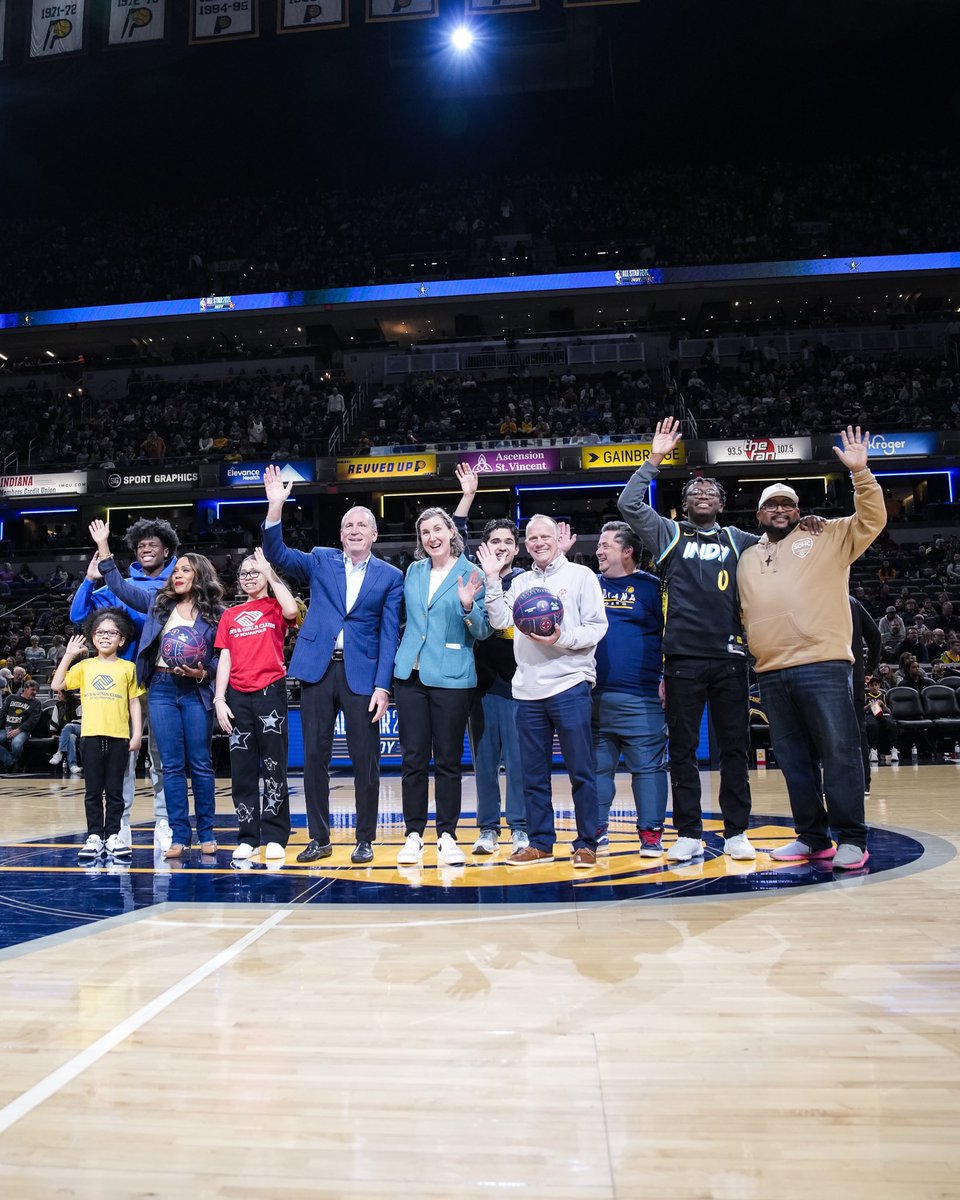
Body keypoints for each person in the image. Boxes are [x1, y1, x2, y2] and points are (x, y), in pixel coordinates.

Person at [737, 427, 887, 871]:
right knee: (794, 760)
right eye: (771, 504)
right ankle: (812, 837)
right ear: (759, 514)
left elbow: (872, 521)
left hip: (822, 663)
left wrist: (861, 474)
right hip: (769, 669)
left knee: (839, 752)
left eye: (787, 504)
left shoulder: (828, 535)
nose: (779, 509)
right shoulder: (746, 554)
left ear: (800, 511)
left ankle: (853, 838)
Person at [617, 416, 761, 863]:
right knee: (682, 750)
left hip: (732, 658)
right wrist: (655, 459)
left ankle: (736, 831)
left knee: (735, 747)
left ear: (722, 503)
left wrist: (809, 525)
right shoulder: (670, 534)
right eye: (695, 492)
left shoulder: (740, 540)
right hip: (680, 658)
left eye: (711, 492)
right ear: (684, 504)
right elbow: (628, 503)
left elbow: (782, 546)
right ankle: (688, 832)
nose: (703, 495)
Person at [261, 465, 403, 865]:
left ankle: (365, 839)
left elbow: (389, 634)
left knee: (366, 762)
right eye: (348, 525)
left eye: (362, 525)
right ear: (341, 534)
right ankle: (319, 838)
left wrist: (383, 686)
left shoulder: (390, 576)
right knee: (314, 759)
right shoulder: (321, 560)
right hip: (317, 670)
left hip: (362, 676)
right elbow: (277, 554)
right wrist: (276, 508)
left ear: (374, 534)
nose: (355, 530)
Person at [89, 520, 224, 859]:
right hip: (161, 687)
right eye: (175, 570)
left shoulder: (216, 614)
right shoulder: (157, 604)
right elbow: (119, 586)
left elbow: (223, 658)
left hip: (195, 689)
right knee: (172, 765)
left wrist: (202, 671)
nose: (176, 575)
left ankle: (206, 830)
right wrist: (104, 546)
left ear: (200, 576)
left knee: (201, 763)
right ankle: (179, 834)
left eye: (184, 570)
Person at [480, 514, 608, 868]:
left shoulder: (581, 576)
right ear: (526, 545)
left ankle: (586, 843)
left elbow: (597, 627)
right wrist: (492, 579)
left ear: (557, 539)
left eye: (544, 536)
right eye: (532, 538)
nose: (538, 542)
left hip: (570, 684)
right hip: (528, 690)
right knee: (532, 775)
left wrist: (561, 639)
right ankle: (540, 842)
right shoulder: (520, 583)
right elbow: (500, 621)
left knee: (580, 770)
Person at [69, 517, 178, 852]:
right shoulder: (119, 583)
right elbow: (77, 616)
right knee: (124, 760)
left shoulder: (174, 585)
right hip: (122, 684)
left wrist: (105, 553)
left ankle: (163, 821)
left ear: (167, 551)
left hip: (161, 680)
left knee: (161, 757)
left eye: (153, 545)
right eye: (141, 545)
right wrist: (89, 580)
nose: (146, 549)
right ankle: (121, 825)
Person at [393, 507, 490, 867]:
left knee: (448, 760)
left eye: (438, 529)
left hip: (451, 677)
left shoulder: (473, 572)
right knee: (413, 759)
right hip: (410, 676)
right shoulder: (414, 571)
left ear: (452, 532)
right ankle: (413, 834)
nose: (431, 537)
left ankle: (447, 834)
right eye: (424, 532)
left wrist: (468, 606)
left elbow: (482, 631)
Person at [452, 464, 528, 857]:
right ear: (483, 547)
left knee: (518, 762)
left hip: (520, 684)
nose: (500, 546)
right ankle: (487, 830)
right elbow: (452, 537)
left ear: (517, 548)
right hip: (480, 684)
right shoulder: (472, 577)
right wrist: (467, 497)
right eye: (493, 540)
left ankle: (520, 827)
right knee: (484, 763)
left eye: (507, 541)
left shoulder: (530, 582)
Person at [214, 548, 300, 863]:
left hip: (270, 692)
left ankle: (276, 836)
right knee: (243, 772)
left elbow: (292, 610)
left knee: (273, 767)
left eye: (255, 572)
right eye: (245, 573)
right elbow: (225, 657)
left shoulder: (276, 607)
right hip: (237, 696)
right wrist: (219, 698)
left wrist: (270, 571)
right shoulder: (230, 615)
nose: (250, 577)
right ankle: (248, 836)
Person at [593, 521, 668, 856]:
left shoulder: (652, 587)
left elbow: (670, 632)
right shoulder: (588, 584)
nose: (598, 550)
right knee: (595, 770)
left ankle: (650, 834)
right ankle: (593, 829)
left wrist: (667, 675)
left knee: (649, 769)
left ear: (628, 551)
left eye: (606, 545)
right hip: (593, 696)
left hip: (642, 696)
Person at [51, 611, 144, 863]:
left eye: (112, 632)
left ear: (121, 640)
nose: (106, 636)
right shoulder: (84, 666)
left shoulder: (128, 668)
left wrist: (136, 734)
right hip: (90, 737)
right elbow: (56, 685)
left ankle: (113, 835)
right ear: (92, 637)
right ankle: (94, 836)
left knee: (115, 792)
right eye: (100, 632)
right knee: (92, 791)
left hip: (119, 738)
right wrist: (69, 655)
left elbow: (134, 702)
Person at [0, 679, 43, 773]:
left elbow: (32, 721)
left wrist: (19, 730)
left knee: (16, 744)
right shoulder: (11, 698)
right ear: (25, 689)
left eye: (36, 690)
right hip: (6, 729)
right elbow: (2, 714)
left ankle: (12, 762)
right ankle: (12, 761)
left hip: (23, 730)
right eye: (32, 690)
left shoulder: (36, 703)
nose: (34, 692)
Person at [49, 686, 82, 775]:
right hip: (67, 733)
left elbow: (80, 720)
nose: (57, 696)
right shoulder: (58, 705)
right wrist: (53, 733)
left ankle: (60, 751)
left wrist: (71, 725)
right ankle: (73, 766)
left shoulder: (78, 703)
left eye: (60, 694)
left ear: (66, 694)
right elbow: (54, 721)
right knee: (70, 737)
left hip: (80, 728)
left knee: (68, 726)